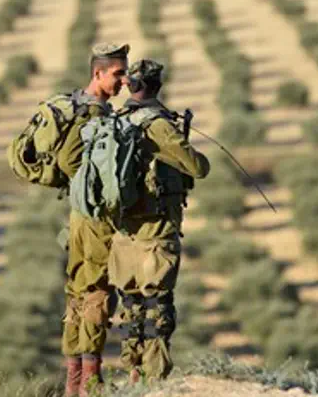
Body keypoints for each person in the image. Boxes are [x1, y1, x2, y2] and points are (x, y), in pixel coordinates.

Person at [107, 58, 210, 383]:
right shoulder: (159, 125)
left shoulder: (116, 119)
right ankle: (155, 381)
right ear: (157, 85)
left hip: (123, 233)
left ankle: (132, 372)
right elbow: (198, 168)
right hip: (157, 231)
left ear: (130, 85)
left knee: (131, 307)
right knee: (156, 310)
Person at [57, 42, 128, 397]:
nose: (123, 81)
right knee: (97, 294)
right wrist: (90, 183)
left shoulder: (85, 108)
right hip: (94, 218)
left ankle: (74, 384)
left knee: (78, 292)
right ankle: (88, 384)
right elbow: (71, 161)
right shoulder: (92, 113)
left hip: (79, 215)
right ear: (97, 73)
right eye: (118, 74)